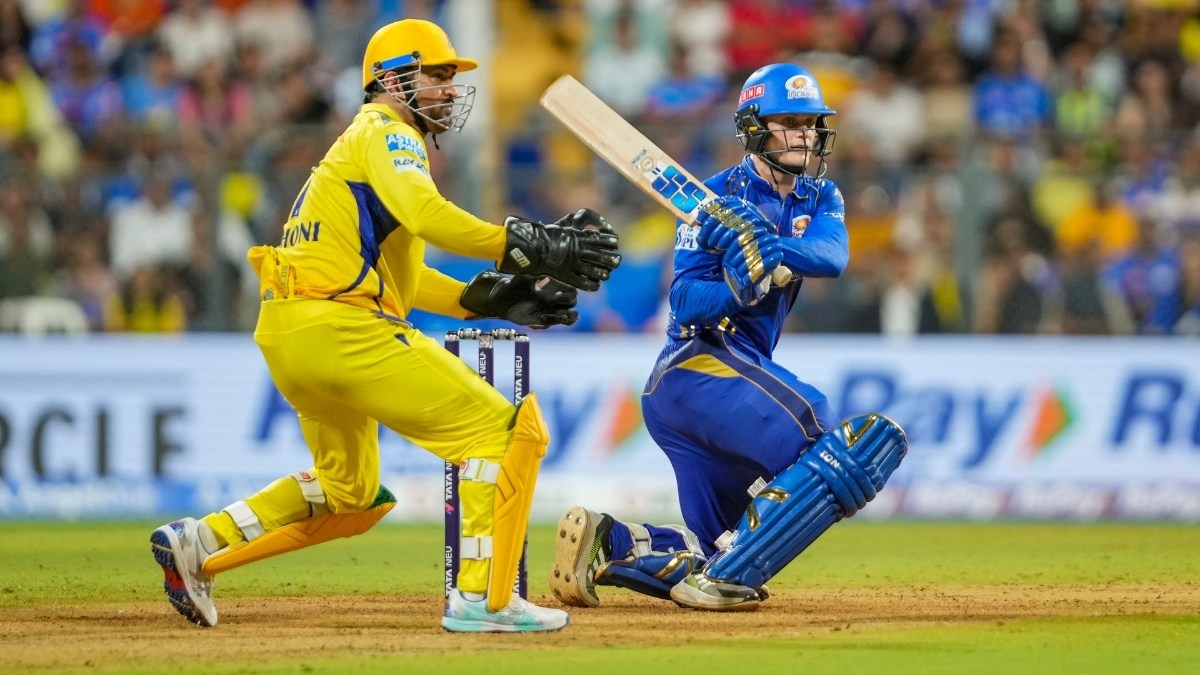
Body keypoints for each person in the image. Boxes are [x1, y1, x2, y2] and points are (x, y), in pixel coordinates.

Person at [149, 18, 621, 633]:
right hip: (343, 326)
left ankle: (200, 541)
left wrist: (492, 301)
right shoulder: (387, 132)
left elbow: (406, 278)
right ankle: (484, 600)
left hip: (293, 330)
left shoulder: (360, 145)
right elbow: (428, 216)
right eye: (439, 74)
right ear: (393, 79)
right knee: (502, 434)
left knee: (353, 495)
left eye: (453, 77)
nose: (451, 89)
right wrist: (526, 243)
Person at [549, 63, 906, 612]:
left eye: (810, 123)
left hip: (723, 383)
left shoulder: (820, 197)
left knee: (719, 546)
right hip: (698, 365)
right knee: (826, 433)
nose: (804, 135)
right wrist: (740, 283)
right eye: (789, 122)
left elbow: (833, 256)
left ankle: (611, 541)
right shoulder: (709, 201)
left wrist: (770, 250)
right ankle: (717, 586)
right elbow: (687, 300)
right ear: (754, 128)